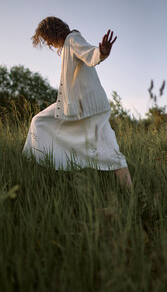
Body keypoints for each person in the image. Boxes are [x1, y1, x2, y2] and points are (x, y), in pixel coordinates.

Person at [22, 16, 133, 192]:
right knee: (39, 121)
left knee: (112, 154)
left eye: (47, 39)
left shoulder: (72, 39)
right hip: (77, 106)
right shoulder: (67, 45)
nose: (49, 44)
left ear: (52, 32)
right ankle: (44, 165)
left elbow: (90, 54)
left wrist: (102, 52)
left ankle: (131, 197)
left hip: (89, 108)